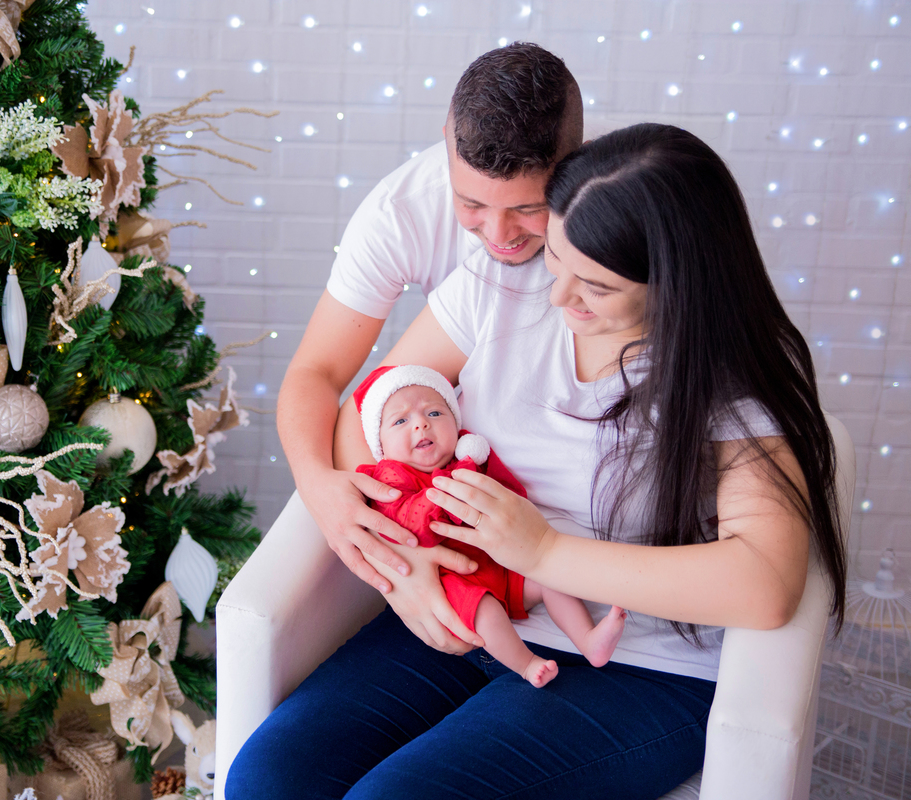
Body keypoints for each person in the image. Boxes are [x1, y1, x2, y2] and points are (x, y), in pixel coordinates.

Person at [226, 123, 848, 799]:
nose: (558, 298)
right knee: (269, 778)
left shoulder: (730, 370)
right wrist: (405, 575)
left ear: (676, 281)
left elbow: (765, 582)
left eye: (596, 287)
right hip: (480, 609)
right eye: (556, 256)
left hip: (636, 666)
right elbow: (370, 417)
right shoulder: (502, 283)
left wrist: (544, 551)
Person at [276, 43, 584, 627]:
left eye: (528, 209)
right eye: (471, 203)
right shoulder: (400, 214)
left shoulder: (614, 208)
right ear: (446, 137)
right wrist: (321, 489)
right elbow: (316, 373)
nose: (499, 234)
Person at [352, 363, 625, 687]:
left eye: (435, 413)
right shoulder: (391, 477)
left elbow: (512, 495)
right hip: (452, 579)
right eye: (401, 420)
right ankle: (526, 665)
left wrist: (477, 471)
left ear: (456, 422)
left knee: (551, 579)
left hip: (501, 565)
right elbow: (412, 524)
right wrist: (449, 486)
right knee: (486, 612)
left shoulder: (469, 456)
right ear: (380, 445)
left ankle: (588, 640)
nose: (421, 424)